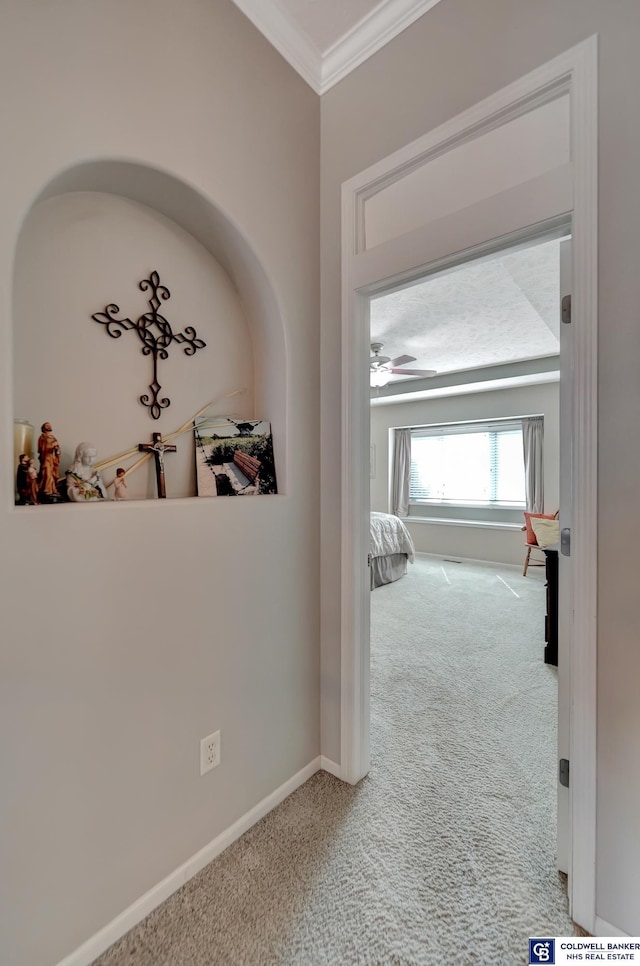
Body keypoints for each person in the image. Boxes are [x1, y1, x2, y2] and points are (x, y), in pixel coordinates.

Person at [37, 421, 61, 502]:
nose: (49, 427)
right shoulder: (42, 437)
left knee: (52, 474)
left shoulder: (53, 437)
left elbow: (57, 448)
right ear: (44, 428)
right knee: (47, 473)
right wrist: (52, 445)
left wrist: (57, 450)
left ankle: (53, 489)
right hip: (46, 458)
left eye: (50, 426)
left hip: (53, 459)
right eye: (47, 426)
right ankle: (47, 490)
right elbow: (42, 449)